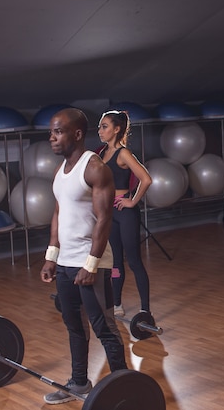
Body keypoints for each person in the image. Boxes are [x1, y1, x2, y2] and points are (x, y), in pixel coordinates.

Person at [40, 108, 128, 405]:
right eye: (51, 132)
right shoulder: (61, 171)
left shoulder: (94, 168)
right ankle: (79, 382)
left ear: (77, 134)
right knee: (73, 325)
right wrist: (52, 256)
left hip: (91, 263)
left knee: (104, 327)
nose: (52, 138)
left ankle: (125, 387)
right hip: (65, 264)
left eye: (58, 132)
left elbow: (104, 220)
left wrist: (90, 265)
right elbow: (58, 213)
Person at [97, 110, 153, 316]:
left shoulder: (123, 153)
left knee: (134, 261)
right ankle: (117, 304)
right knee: (115, 263)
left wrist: (132, 201)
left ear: (117, 129)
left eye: (104, 126)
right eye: (100, 126)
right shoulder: (102, 153)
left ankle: (145, 309)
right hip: (109, 213)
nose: (100, 131)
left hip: (125, 213)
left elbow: (146, 179)